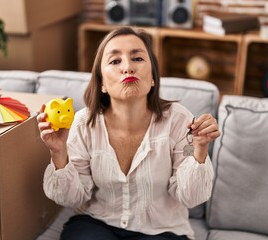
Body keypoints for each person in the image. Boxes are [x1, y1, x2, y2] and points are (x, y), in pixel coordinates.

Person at [37, 27, 220, 240]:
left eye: (138, 58)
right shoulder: (83, 123)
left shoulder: (179, 120)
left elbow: (190, 197)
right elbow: (72, 198)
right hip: (98, 224)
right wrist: (59, 154)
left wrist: (199, 150)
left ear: (153, 77)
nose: (128, 67)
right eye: (115, 61)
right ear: (102, 83)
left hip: (161, 231)